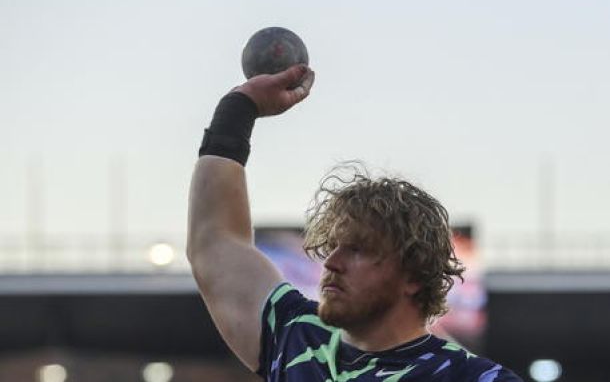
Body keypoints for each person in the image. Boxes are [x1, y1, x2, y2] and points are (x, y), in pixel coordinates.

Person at [187, 64, 522, 381]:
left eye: (359, 250)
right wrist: (239, 106)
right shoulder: (297, 337)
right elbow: (213, 243)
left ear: (413, 276)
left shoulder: (471, 377)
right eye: (334, 247)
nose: (332, 263)